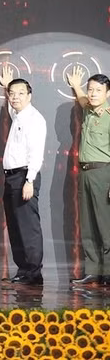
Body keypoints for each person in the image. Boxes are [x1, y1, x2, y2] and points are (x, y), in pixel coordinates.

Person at [0, 65, 46, 286]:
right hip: (11, 177)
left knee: (28, 226)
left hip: (25, 176)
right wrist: (6, 86)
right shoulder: (17, 115)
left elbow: (37, 152)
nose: (15, 98)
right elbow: (10, 108)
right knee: (15, 226)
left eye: (20, 94)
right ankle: (23, 270)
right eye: (11, 93)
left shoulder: (35, 119)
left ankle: (34, 272)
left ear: (30, 95)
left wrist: (29, 180)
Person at [66, 66, 110, 286]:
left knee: (106, 224)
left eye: (98, 90)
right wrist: (76, 85)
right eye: (90, 89)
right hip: (84, 173)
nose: (92, 93)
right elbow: (83, 99)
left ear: (107, 93)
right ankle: (93, 270)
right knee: (88, 224)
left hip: (104, 173)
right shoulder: (88, 110)